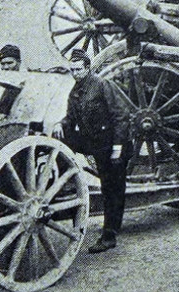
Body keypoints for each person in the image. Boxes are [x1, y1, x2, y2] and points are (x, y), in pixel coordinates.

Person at [54, 49, 134, 253]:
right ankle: (64, 179)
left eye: (79, 69)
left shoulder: (101, 85)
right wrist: (60, 124)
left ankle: (109, 236)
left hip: (115, 143)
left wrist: (117, 148)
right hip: (96, 142)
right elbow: (70, 118)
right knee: (62, 135)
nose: (75, 74)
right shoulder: (76, 91)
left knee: (112, 188)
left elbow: (121, 116)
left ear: (88, 68)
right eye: (72, 70)